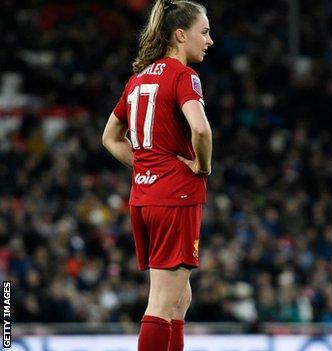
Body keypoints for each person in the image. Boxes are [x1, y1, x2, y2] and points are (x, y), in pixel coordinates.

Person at [102, 0, 213, 350]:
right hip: (174, 198)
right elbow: (201, 130)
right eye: (204, 32)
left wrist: (148, 166)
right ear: (181, 35)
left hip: (145, 198)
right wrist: (203, 166)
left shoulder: (138, 79)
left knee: (179, 300)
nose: (209, 41)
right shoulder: (183, 76)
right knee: (162, 303)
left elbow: (109, 138)